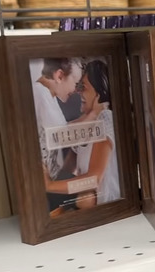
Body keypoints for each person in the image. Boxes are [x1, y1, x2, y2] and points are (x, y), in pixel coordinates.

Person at [43, 59, 120, 207]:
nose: (79, 91)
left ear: (100, 93)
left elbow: (94, 179)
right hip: (88, 203)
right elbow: (68, 168)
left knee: (85, 197)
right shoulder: (89, 123)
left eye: (83, 87)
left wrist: (49, 186)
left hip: (106, 204)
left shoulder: (106, 118)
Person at [31, 58, 83, 215]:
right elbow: (63, 134)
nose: (76, 89)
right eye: (75, 82)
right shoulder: (39, 94)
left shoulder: (48, 95)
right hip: (44, 180)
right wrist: (94, 116)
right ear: (59, 76)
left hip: (52, 175)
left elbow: (64, 129)